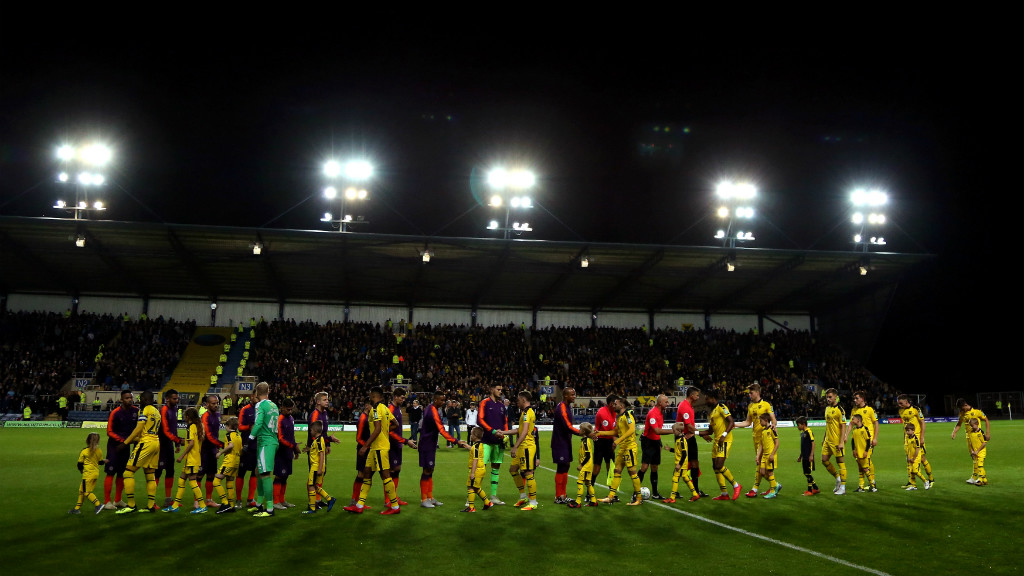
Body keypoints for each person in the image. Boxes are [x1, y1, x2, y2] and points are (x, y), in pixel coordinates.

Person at [345, 386, 402, 515]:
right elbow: (396, 424)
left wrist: (365, 446)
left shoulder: (375, 409)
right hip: (375, 448)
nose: (370, 396)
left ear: (374, 396)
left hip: (379, 448)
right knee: (367, 474)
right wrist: (385, 431)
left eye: (371, 395)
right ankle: (359, 505)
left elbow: (377, 429)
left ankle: (394, 506)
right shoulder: (385, 408)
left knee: (386, 476)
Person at [115, 391, 162, 514]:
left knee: (128, 472)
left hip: (146, 443)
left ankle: (131, 505)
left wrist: (125, 443)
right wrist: (133, 439)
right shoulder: (157, 412)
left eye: (140, 399)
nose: (139, 401)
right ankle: (150, 506)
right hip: (156, 443)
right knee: (150, 475)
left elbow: (139, 428)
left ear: (145, 399)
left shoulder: (145, 410)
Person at [417, 390, 465, 508]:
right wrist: (456, 441)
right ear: (435, 400)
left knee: (430, 469)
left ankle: (430, 497)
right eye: (441, 400)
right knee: (427, 470)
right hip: (426, 444)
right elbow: (442, 430)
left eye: (444, 400)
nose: (443, 402)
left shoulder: (431, 408)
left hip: (430, 443)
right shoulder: (432, 411)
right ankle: (424, 499)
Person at [597, 395, 644, 506]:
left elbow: (631, 429)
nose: (614, 405)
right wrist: (599, 433)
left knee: (632, 472)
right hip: (622, 448)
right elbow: (615, 432)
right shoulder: (619, 417)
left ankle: (639, 498)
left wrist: (617, 441)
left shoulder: (628, 415)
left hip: (629, 448)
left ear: (622, 405)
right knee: (617, 471)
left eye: (616, 404)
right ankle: (610, 497)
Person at [732, 383, 777, 498]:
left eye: (751, 393)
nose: (749, 395)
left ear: (757, 392)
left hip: (766, 440)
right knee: (761, 466)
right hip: (756, 439)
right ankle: (774, 486)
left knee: (760, 464)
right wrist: (734, 425)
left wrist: (774, 425)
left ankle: (755, 489)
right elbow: (748, 422)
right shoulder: (750, 406)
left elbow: (773, 419)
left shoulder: (766, 405)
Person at [698, 388, 742, 501]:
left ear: (713, 399)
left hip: (724, 440)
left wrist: (724, 435)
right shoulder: (712, 413)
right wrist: (695, 433)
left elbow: (731, 422)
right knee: (715, 467)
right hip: (717, 441)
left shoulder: (722, 407)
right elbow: (709, 431)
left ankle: (736, 485)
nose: (706, 401)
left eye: (707, 399)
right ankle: (724, 493)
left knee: (719, 465)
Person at [163, 407, 206, 513]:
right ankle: (175, 506)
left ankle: (202, 506)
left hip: (191, 459)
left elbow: (191, 443)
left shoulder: (191, 426)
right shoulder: (198, 426)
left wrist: (181, 456)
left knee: (193, 482)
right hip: (192, 459)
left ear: (187, 417)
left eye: (185, 416)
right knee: (181, 480)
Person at [503, 391, 539, 510]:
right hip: (522, 447)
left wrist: (515, 446)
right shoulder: (524, 412)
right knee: (513, 469)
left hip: (527, 446)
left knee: (528, 473)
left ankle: (533, 502)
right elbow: (520, 429)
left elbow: (524, 432)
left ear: (524, 399)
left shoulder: (528, 412)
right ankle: (523, 496)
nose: (517, 402)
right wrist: (503, 432)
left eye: (518, 400)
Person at [249, 382, 280, 517]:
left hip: (265, 442)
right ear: (268, 391)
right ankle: (259, 504)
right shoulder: (274, 405)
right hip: (272, 440)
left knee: (265, 474)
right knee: (258, 471)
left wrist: (250, 437)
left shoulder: (260, 405)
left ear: (256, 393)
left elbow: (259, 422)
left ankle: (270, 509)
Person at [103, 390, 137, 509]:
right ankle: (107, 502)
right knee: (110, 472)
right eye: (127, 398)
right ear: (121, 400)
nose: (129, 400)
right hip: (114, 446)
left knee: (122, 473)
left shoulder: (136, 411)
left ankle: (117, 500)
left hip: (126, 447)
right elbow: (109, 431)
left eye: (130, 398)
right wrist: (123, 440)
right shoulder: (115, 412)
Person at [476, 382, 510, 505]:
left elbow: (505, 422)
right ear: (491, 389)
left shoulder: (501, 406)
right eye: (498, 389)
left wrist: (505, 434)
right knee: (481, 468)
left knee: (496, 468)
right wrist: (493, 431)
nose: (500, 391)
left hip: (498, 442)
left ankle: (493, 496)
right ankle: (472, 495)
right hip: (486, 441)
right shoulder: (484, 403)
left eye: (501, 389)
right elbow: (480, 420)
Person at [550, 386, 584, 504]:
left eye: (574, 394)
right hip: (559, 442)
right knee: (561, 467)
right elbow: (568, 426)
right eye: (572, 394)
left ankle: (563, 495)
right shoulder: (562, 408)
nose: (574, 396)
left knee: (566, 466)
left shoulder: (567, 406)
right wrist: (583, 433)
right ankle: (558, 496)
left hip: (565, 441)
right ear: (566, 395)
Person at [638, 393, 673, 499]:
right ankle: (636, 492)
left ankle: (655, 493)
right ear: (660, 403)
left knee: (654, 467)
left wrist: (659, 443)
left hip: (656, 441)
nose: (668, 404)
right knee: (644, 467)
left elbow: (658, 432)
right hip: (648, 441)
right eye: (666, 402)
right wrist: (673, 431)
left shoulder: (662, 412)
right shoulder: (652, 413)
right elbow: (657, 430)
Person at [387, 388, 418, 507]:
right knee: (391, 471)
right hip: (391, 444)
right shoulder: (390, 409)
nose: (403, 399)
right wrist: (405, 441)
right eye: (402, 397)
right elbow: (389, 431)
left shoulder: (398, 408)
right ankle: (388, 500)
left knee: (397, 469)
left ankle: (394, 497)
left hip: (397, 444)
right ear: (395, 397)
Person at [675, 386, 707, 497]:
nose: (698, 397)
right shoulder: (684, 406)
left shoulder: (689, 406)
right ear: (691, 395)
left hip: (690, 437)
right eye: (697, 395)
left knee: (694, 463)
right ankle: (675, 490)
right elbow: (689, 426)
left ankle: (696, 490)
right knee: (681, 464)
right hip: (683, 438)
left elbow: (690, 427)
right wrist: (703, 434)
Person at [897, 394, 935, 487]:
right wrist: (904, 438)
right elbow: (905, 425)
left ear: (906, 402)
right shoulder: (901, 411)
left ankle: (931, 479)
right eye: (898, 403)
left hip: (917, 438)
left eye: (901, 403)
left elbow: (922, 423)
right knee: (909, 460)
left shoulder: (916, 409)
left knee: (922, 459)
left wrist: (922, 437)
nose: (899, 405)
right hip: (907, 439)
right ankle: (911, 482)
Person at [156, 389, 185, 508]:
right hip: (160, 445)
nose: (177, 400)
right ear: (167, 399)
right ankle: (151, 502)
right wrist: (178, 440)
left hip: (168, 445)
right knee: (157, 473)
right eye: (174, 398)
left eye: (177, 398)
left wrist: (176, 444)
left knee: (170, 472)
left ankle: (168, 500)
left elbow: (174, 428)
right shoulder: (164, 410)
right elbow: (165, 430)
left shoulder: (174, 409)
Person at [952, 397, 991, 484]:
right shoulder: (962, 413)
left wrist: (988, 433)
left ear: (965, 405)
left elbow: (986, 420)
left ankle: (981, 478)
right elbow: (959, 423)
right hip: (969, 439)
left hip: (978, 437)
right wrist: (954, 432)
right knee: (973, 457)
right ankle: (975, 477)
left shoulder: (977, 412)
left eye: (962, 408)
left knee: (978, 457)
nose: (961, 410)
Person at [302, 420, 337, 513]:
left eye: (311, 430)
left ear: (314, 430)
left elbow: (321, 454)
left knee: (310, 486)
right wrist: (309, 449)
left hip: (316, 467)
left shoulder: (318, 441)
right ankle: (330, 499)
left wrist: (320, 469)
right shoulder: (318, 440)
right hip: (317, 466)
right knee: (315, 486)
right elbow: (317, 451)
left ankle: (312, 508)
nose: (310, 432)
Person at [273, 398, 301, 510]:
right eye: (288, 409)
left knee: (285, 476)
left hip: (289, 452)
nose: (290, 411)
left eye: (291, 409)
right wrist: (293, 446)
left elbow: (292, 436)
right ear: (282, 408)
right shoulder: (280, 419)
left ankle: (282, 500)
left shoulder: (291, 418)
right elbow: (280, 438)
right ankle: (275, 501)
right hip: (281, 452)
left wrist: (295, 450)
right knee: (279, 476)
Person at [70, 433, 107, 515]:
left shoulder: (84, 451)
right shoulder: (99, 450)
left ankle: (98, 504)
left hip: (88, 474)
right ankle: (77, 508)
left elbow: (79, 464)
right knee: (81, 490)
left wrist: (81, 470)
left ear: (87, 440)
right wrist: (104, 461)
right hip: (95, 474)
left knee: (86, 492)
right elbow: (100, 462)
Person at [664, 422, 700, 503]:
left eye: (674, 430)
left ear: (679, 430)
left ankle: (672, 498)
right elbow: (678, 451)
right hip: (682, 463)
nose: (673, 432)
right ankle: (695, 494)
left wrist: (679, 464)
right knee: (685, 478)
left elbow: (684, 454)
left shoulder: (682, 440)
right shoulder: (679, 439)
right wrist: (670, 449)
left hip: (681, 463)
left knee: (675, 478)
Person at [821, 388, 848, 495]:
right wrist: (824, 438)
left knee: (840, 462)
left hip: (837, 441)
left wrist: (841, 442)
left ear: (836, 397)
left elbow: (843, 426)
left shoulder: (840, 410)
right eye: (827, 397)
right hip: (828, 440)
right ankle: (838, 478)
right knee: (824, 460)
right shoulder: (827, 408)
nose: (828, 399)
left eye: (830, 397)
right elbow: (828, 425)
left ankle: (843, 488)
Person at [850, 390, 879, 492]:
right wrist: (846, 435)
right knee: (859, 462)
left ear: (862, 399)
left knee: (867, 460)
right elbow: (851, 424)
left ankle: (872, 483)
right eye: (854, 398)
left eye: (857, 398)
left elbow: (876, 424)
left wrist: (875, 438)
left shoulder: (870, 410)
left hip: (868, 440)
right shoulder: (854, 410)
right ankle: (861, 486)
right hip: (858, 440)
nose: (855, 400)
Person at [200, 395, 225, 508]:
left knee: (211, 475)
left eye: (217, 403)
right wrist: (221, 444)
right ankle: (197, 501)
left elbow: (216, 433)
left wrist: (217, 447)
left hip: (213, 450)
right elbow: (208, 435)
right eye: (213, 403)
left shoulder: (217, 415)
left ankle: (209, 500)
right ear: (207, 404)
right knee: (199, 475)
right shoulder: (205, 416)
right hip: (204, 449)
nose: (216, 405)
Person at [460, 426, 493, 512]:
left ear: (475, 436)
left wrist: (472, 473)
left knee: (470, 487)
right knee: (476, 488)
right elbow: (474, 450)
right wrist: (467, 446)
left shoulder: (476, 447)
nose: (470, 436)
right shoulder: (479, 445)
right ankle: (487, 502)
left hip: (477, 470)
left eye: (471, 434)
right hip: (481, 469)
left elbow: (475, 459)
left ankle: (471, 507)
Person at [214, 416, 241, 514]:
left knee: (216, 481)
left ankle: (225, 503)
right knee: (229, 482)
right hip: (237, 461)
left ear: (229, 426)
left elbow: (231, 445)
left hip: (229, 460)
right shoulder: (238, 436)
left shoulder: (229, 434)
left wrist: (220, 453)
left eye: (226, 426)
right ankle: (231, 506)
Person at [349, 402, 374, 508]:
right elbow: (358, 438)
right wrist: (367, 446)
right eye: (372, 406)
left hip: (367, 449)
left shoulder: (369, 417)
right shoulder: (363, 419)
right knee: (361, 474)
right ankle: (354, 500)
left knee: (366, 474)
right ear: (367, 406)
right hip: (363, 450)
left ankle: (359, 501)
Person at [567, 422, 598, 508]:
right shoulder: (585, 440)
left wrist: (581, 465)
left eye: (580, 429)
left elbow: (588, 456)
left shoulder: (585, 442)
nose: (579, 430)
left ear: (583, 431)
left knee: (580, 482)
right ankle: (593, 501)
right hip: (588, 465)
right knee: (588, 483)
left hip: (586, 466)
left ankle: (578, 502)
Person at [235, 395, 259, 508]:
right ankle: (238, 500)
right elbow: (240, 427)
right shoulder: (245, 410)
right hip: (246, 446)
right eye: (255, 396)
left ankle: (250, 499)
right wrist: (250, 427)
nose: (257, 399)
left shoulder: (262, 409)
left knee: (255, 473)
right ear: (252, 397)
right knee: (241, 473)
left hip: (257, 446)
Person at [755, 412, 781, 499]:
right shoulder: (763, 431)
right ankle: (776, 485)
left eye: (761, 421)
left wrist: (772, 454)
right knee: (762, 473)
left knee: (770, 473)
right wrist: (758, 456)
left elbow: (777, 443)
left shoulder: (772, 429)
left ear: (766, 420)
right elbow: (761, 445)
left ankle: (772, 492)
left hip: (770, 455)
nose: (760, 422)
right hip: (764, 456)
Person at [593, 394, 617, 487]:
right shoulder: (602, 413)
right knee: (597, 467)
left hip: (609, 440)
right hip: (600, 441)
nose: (618, 405)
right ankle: (590, 489)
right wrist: (615, 441)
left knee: (610, 466)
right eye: (616, 403)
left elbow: (613, 429)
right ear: (611, 404)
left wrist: (614, 441)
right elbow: (610, 430)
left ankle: (612, 491)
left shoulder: (614, 412)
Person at [848, 413, 873, 493]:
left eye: (853, 419)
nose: (852, 420)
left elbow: (868, 441)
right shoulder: (855, 430)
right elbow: (852, 441)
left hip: (863, 453)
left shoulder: (865, 429)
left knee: (865, 469)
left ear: (858, 420)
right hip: (857, 453)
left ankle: (873, 486)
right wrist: (853, 450)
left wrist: (866, 451)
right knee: (860, 469)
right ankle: (861, 487)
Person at [795, 416, 820, 496]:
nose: (798, 427)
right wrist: (800, 456)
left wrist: (811, 455)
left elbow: (813, 443)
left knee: (808, 473)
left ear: (803, 424)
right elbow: (803, 447)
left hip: (808, 456)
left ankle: (810, 490)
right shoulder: (802, 433)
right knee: (806, 473)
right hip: (804, 456)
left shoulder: (809, 432)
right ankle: (815, 488)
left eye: (798, 425)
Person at [903, 423, 930, 491]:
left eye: (908, 430)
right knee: (911, 472)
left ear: (913, 431)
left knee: (915, 471)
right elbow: (908, 448)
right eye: (906, 431)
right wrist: (908, 456)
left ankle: (925, 481)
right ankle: (913, 485)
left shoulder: (916, 439)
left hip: (916, 457)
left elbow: (917, 449)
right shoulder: (908, 438)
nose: (907, 432)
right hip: (910, 457)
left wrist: (914, 458)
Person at [966, 418, 989, 486]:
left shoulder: (981, 432)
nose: (971, 427)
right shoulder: (971, 432)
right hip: (975, 452)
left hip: (981, 452)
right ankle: (984, 480)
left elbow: (984, 443)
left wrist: (977, 451)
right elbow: (970, 442)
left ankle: (980, 480)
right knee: (975, 465)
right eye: (970, 426)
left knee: (980, 466)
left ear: (977, 424)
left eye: (972, 425)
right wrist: (972, 451)